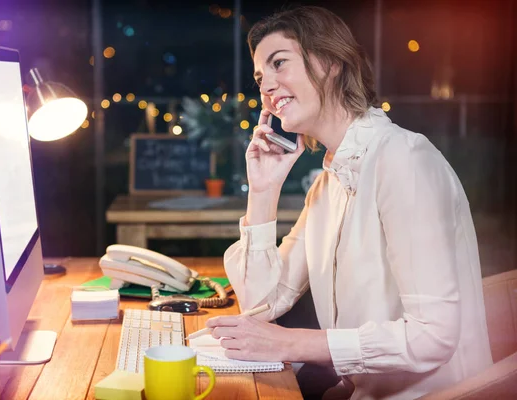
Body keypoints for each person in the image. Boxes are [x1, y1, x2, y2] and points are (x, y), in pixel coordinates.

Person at [205, 6, 493, 400]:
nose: (266, 87)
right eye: (259, 77)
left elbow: (433, 336)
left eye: (279, 64)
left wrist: (290, 344)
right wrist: (263, 190)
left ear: (329, 62)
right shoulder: (327, 186)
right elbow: (261, 302)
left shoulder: (403, 158)